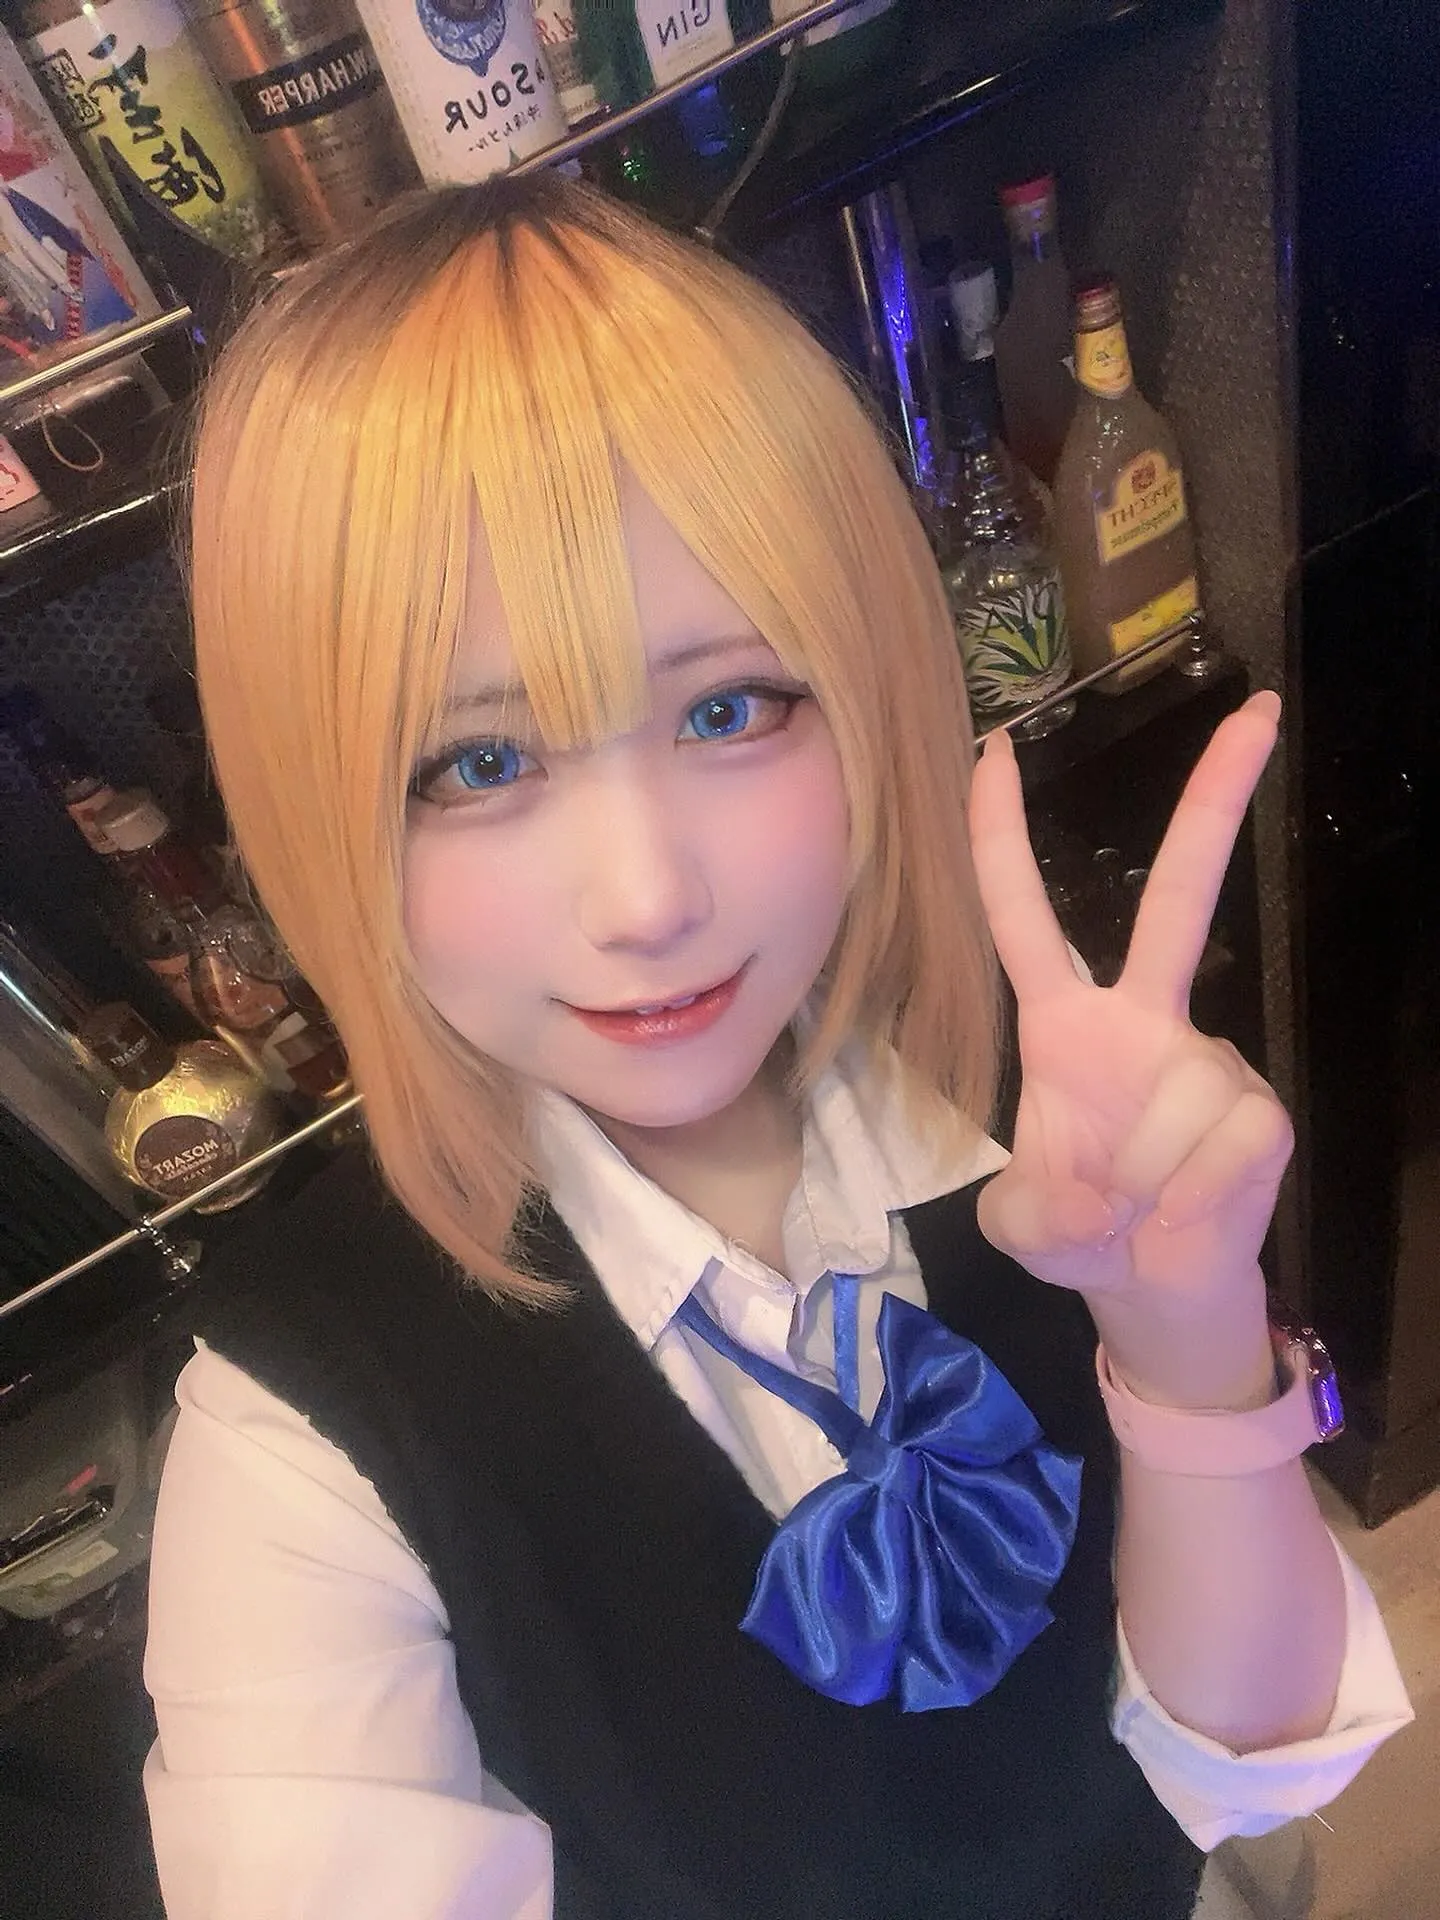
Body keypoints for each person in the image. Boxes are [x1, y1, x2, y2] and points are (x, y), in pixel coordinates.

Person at [142, 172, 1412, 1919]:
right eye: (479, 765)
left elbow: (1252, 1767)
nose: (647, 899)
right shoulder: (301, 1440)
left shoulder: (1047, 1117)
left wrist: (1189, 1328)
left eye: (731, 707)